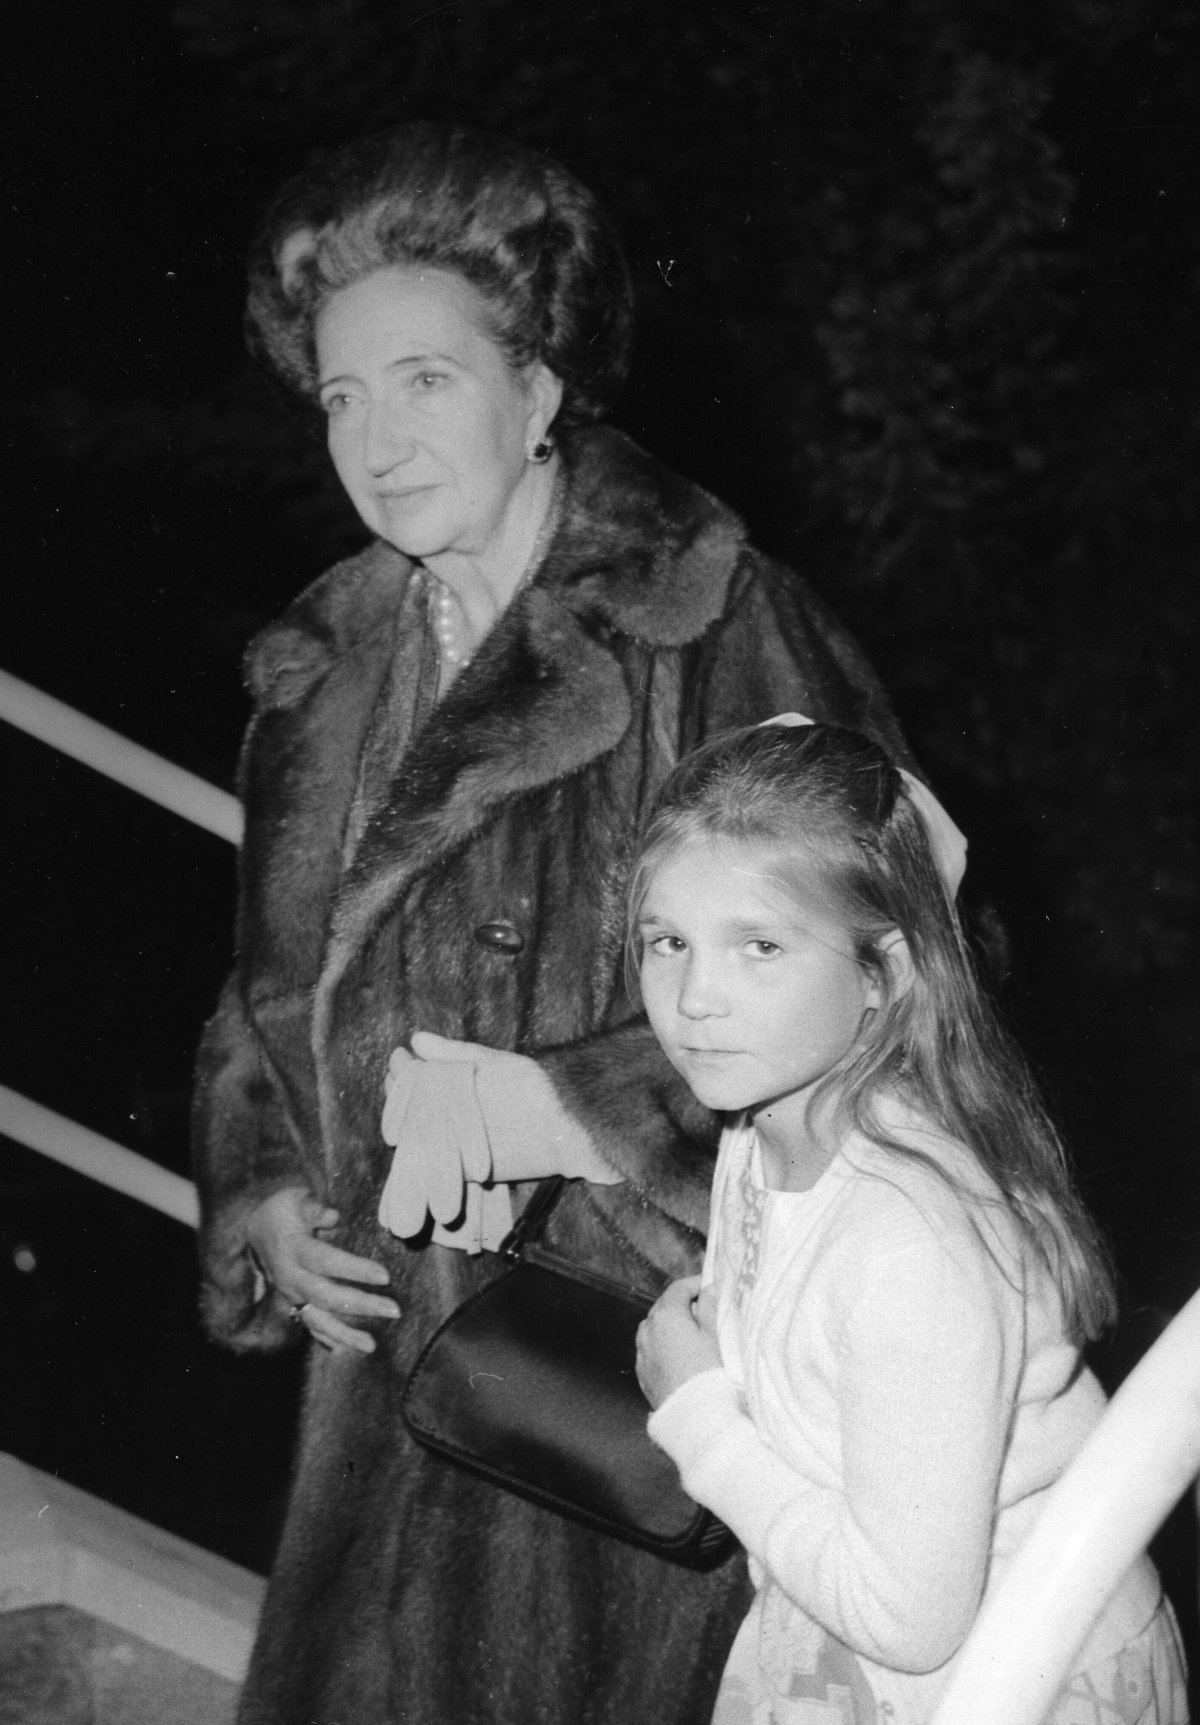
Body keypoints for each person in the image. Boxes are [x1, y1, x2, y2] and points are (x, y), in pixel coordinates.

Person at [192, 121, 911, 1725]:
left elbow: (902, 967)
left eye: (425, 379)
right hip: (380, 1392)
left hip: (620, 1395)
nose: (373, 439)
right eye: (340, 396)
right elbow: (264, 998)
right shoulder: (315, 675)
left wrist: (576, 1107)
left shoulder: (710, 626)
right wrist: (262, 1200)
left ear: (540, 388)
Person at [632, 718, 1189, 1725]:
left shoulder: (909, 1240)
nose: (693, 998)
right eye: (667, 940)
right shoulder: (763, 1116)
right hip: (849, 1638)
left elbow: (908, 1618)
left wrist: (698, 1416)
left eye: (759, 946)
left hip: (1005, 1677)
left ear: (882, 974)